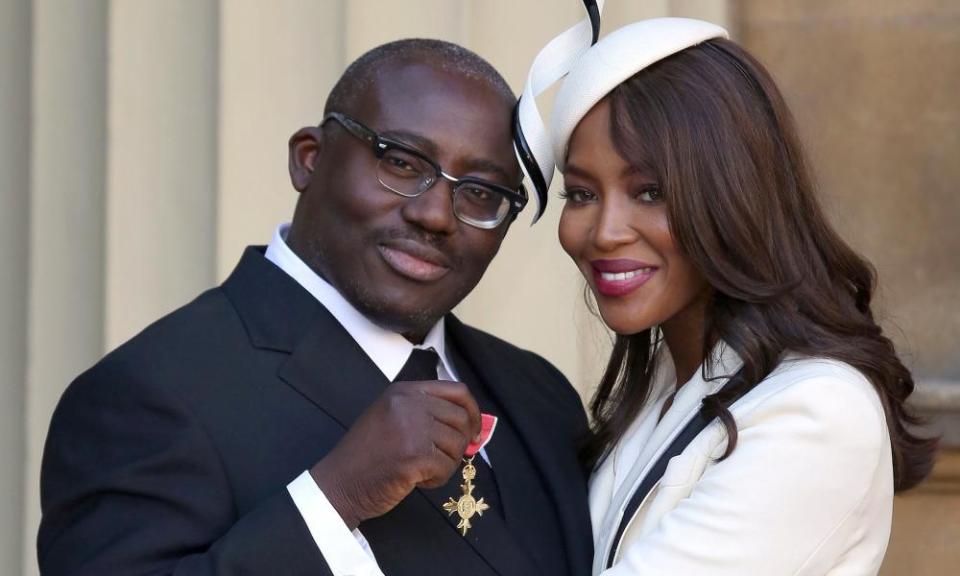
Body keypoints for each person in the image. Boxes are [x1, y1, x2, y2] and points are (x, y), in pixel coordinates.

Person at [38, 39, 592, 576]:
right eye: (401, 162)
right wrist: (333, 500)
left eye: (480, 193)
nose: (436, 215)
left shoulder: (541, 397)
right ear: (309, 159)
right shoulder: (145, 396)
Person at [523, 17, 937, 575]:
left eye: (650, 191)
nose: (604, 232)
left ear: (733, 196)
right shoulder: (665, 389)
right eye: (581, 193)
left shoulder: (817, 413)